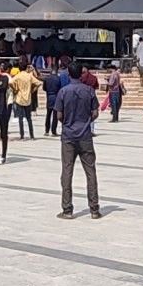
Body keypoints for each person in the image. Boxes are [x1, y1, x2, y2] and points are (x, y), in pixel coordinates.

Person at [54, 62, 101, 219]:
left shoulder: (63, 92)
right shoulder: (89, 91)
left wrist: (68, 123)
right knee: (90, 172)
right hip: (85, 136)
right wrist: (86, 121)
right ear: (81, 73)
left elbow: (59, 115)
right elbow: (95, 113)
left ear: (68, 74)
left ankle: (67, 209)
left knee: (67, 172)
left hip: (68, 136)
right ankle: (94, 209)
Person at [11, 61, 40, 139]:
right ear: (26, 68)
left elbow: (10, 82)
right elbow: (38, 83)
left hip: (19, 98)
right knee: (29, 118)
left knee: (20, 118)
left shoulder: (18, 76)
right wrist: (32, 90)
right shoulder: (29, 76)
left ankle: (22, 135)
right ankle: (31, 135)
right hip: (28, 99)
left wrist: (15, 89)